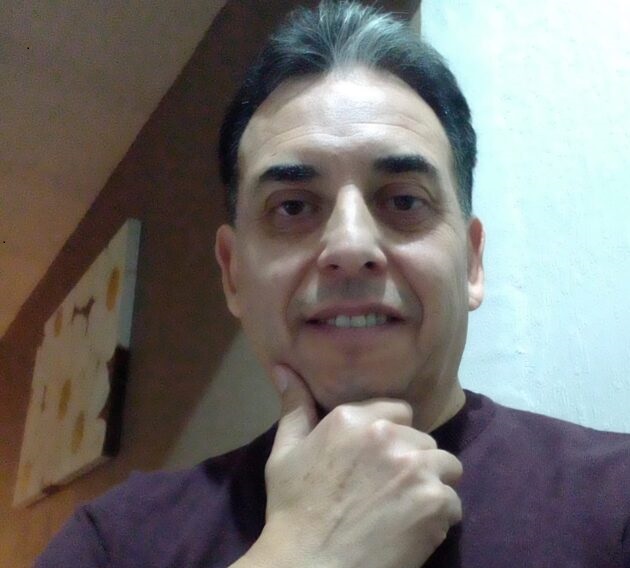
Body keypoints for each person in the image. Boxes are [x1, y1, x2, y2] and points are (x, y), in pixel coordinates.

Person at [36, 2, 630, 567]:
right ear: (233, 274)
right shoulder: (113, 544)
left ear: (472, 263)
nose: (349, 247)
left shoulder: (616, 498)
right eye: (293, 207)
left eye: (404, 201)